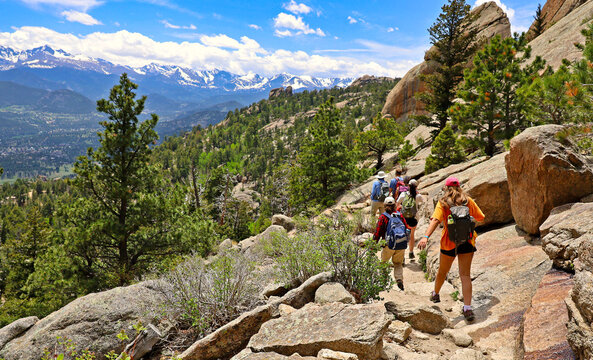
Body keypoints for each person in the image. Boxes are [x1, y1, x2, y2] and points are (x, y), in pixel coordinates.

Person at [417, 177, 485, 322]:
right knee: (465, 275)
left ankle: (435, 293)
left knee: (442, 271)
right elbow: (481, 217)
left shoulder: (443, 203)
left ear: (446, 188)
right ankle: (467, 308)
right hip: (467, 242)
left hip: (448, 243)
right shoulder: (468, 201)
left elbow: (435, 220)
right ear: (459, 187)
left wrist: (425, 237)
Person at [373, 196, 407, 291]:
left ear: (384, 205)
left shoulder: (383, 217)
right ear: (394, 205)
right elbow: (406, 228)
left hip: (388, 245)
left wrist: (372, 246)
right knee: (398, 263)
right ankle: (399, 279)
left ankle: (383, 281)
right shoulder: (399, 215)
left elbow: (377, 233)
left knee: (383, 263)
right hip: (400, 243)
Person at [396, 178, 423, 260]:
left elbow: (397, 203)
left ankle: (402, 256)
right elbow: (422, 202)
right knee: (411, 235)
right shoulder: (418, 196)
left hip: (403, 219)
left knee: (402, 236)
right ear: (416, 187)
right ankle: (411, 252)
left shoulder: (403, 195)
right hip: (413, 218)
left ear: (408, 186)